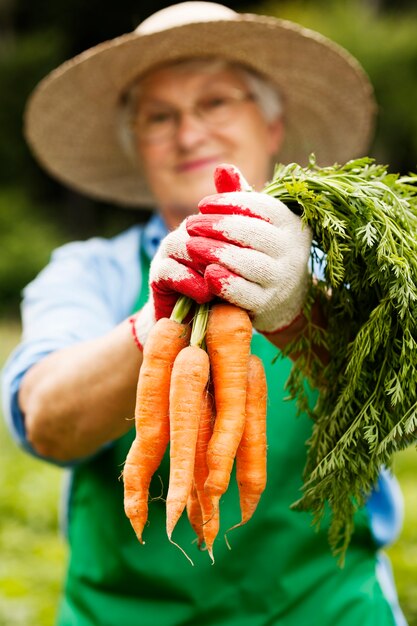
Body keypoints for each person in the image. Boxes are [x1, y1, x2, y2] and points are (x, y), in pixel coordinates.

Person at [1, 2, 407, 625]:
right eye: (159, 117)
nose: (188, 132)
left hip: (328, 610)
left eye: (215, 102)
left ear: (272, 127)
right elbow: (45, 419)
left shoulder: (353, 258)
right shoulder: (89, 271)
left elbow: (400, 401)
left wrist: (299, 312)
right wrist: (153, 322)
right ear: (136, 146)